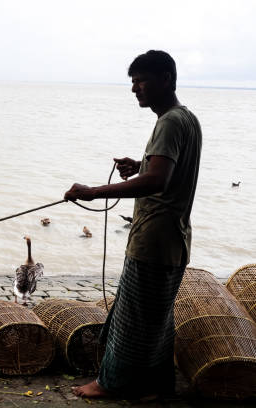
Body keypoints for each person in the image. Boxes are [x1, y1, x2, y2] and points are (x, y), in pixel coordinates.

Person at [64, 50, 202, 399]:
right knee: (155, 321)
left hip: (154, 239)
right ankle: (154, 387)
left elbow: (158, 181)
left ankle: (109, 384)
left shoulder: (169, 121)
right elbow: (165, 170)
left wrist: (95, 191)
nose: (134, 89)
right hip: (173, 239)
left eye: (141, 81)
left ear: (166, 79)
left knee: (132, 320)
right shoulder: (187, 119)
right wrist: (140, 163)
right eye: (132, 81)